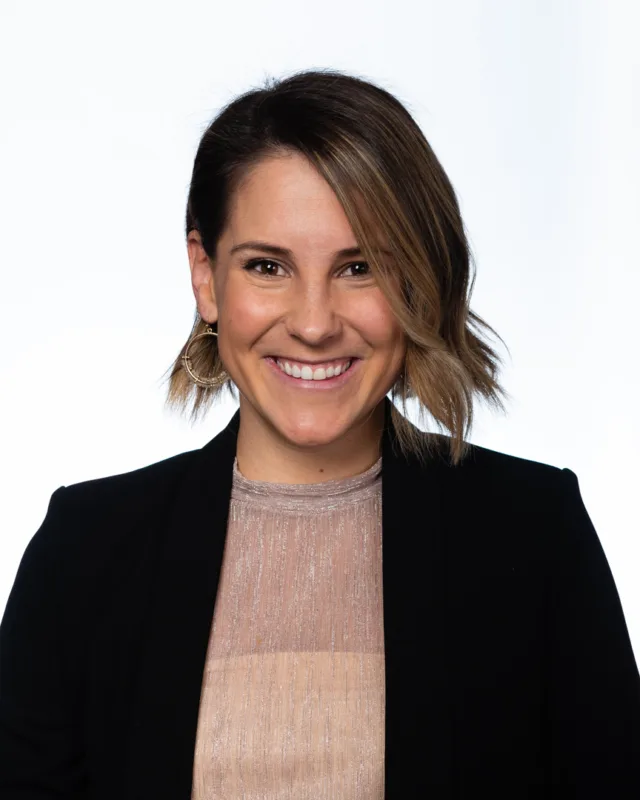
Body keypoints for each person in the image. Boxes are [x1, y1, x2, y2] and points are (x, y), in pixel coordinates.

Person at [1, 68, 639, 800]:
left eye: (359, 268)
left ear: (418, 281)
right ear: (206, 276)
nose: (313, 323)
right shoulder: (85, 549)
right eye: (267, 266)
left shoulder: (533, 532)